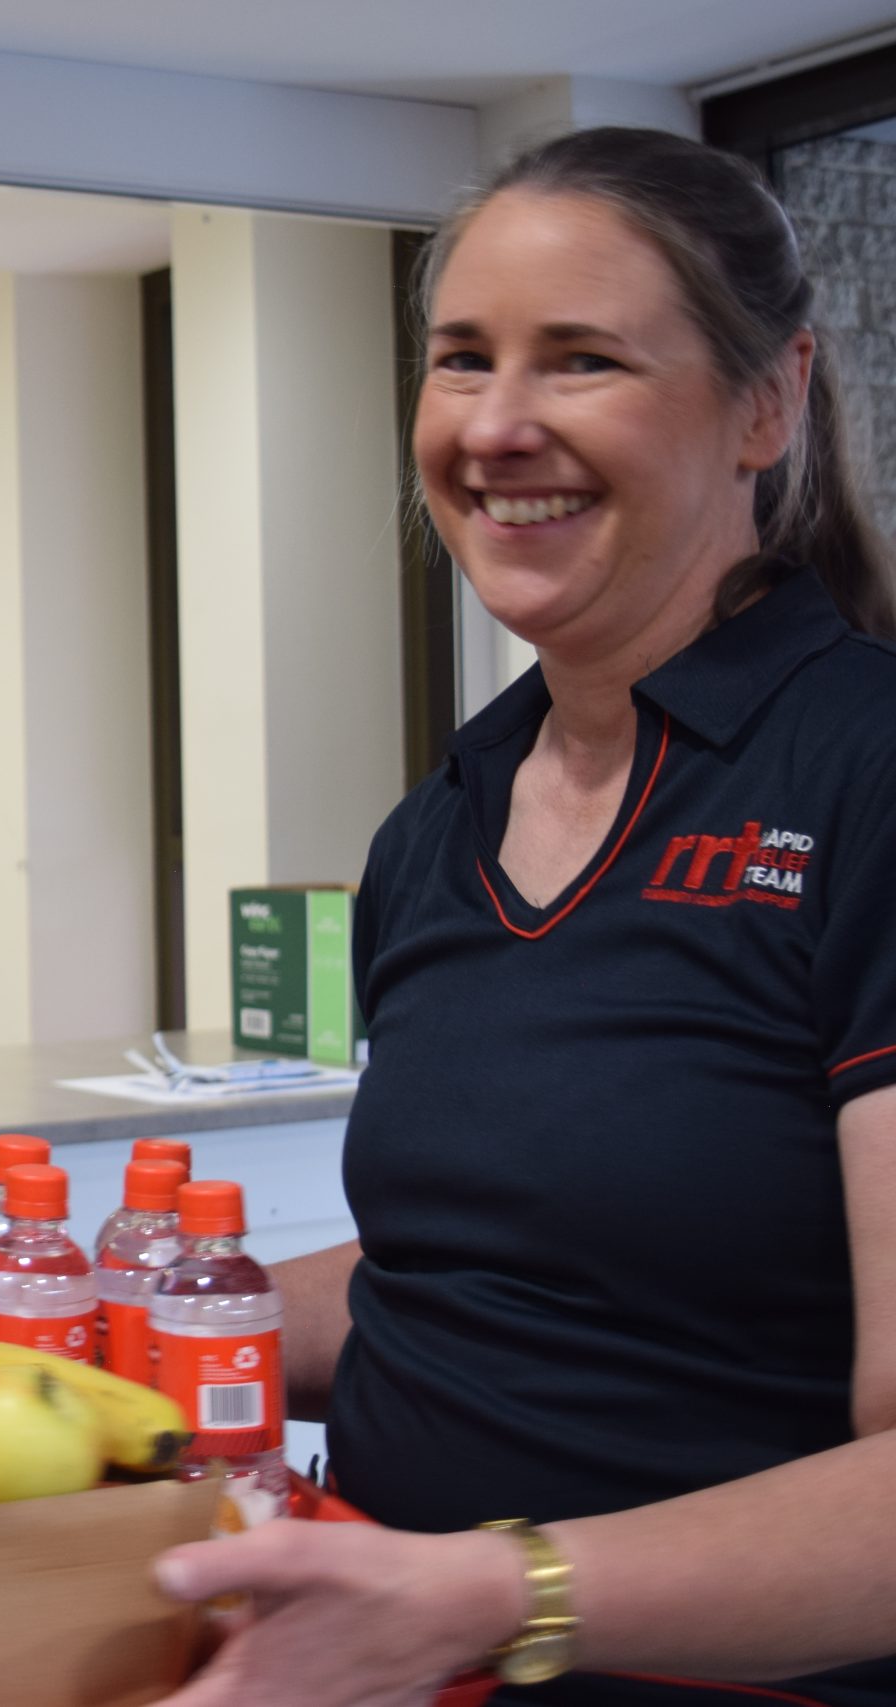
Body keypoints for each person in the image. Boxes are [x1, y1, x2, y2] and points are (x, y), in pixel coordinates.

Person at [149, 129, 896, 1707]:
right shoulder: (439, 829)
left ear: (768, 403)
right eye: (461, 359)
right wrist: (121, 1321)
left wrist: (491, 1596)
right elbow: (488, 1274)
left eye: (583, 360)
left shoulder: (864, 778)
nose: (494, 427)